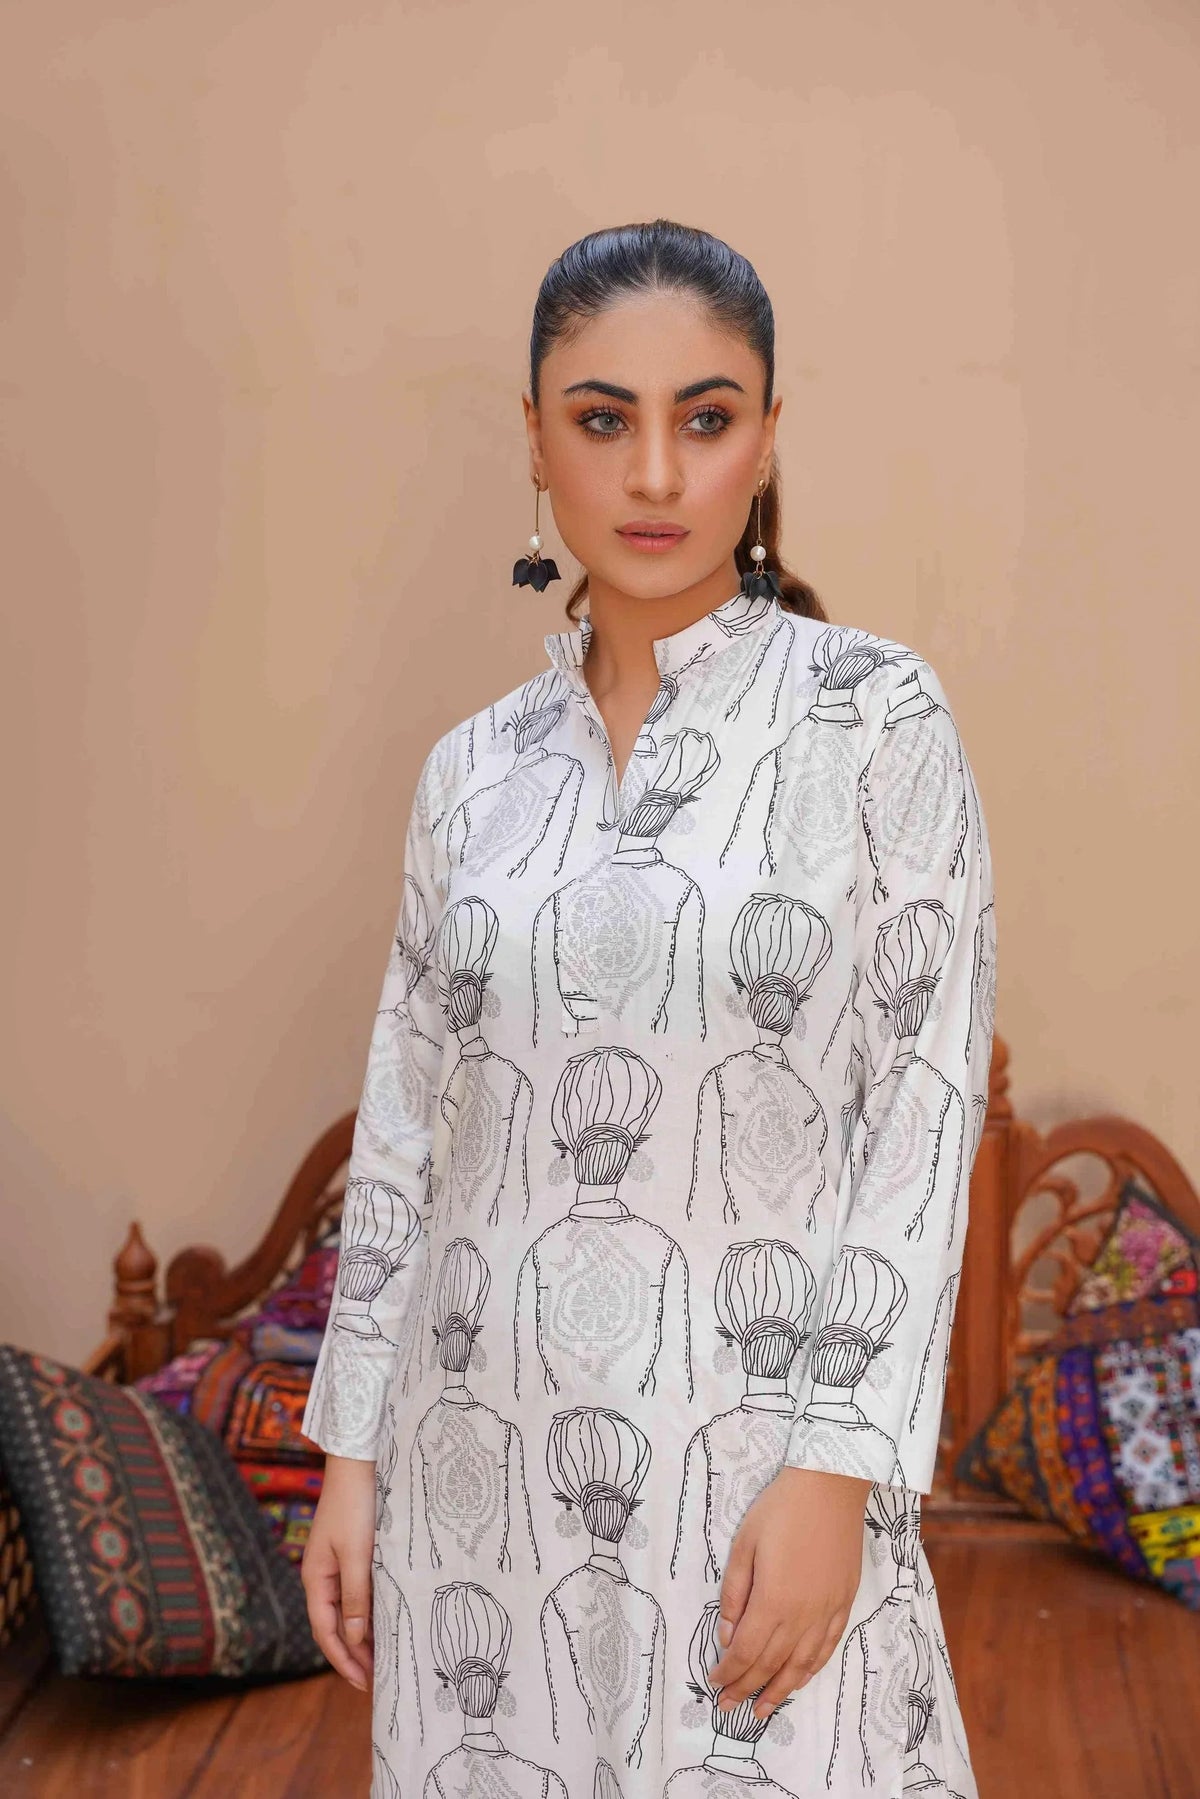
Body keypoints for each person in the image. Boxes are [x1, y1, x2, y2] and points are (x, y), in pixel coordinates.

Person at [300, 218, 997, 1799]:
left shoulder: (873, 719)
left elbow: (924, 1109)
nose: (658, 474)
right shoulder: (474, 771)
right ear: (535, 439)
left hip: (760, 1460)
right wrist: (352, 1457)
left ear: (768, 435)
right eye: (605, 419)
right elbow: (405, 1133)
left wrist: (836, 1471)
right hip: (474, 1464)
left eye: (708, 416)